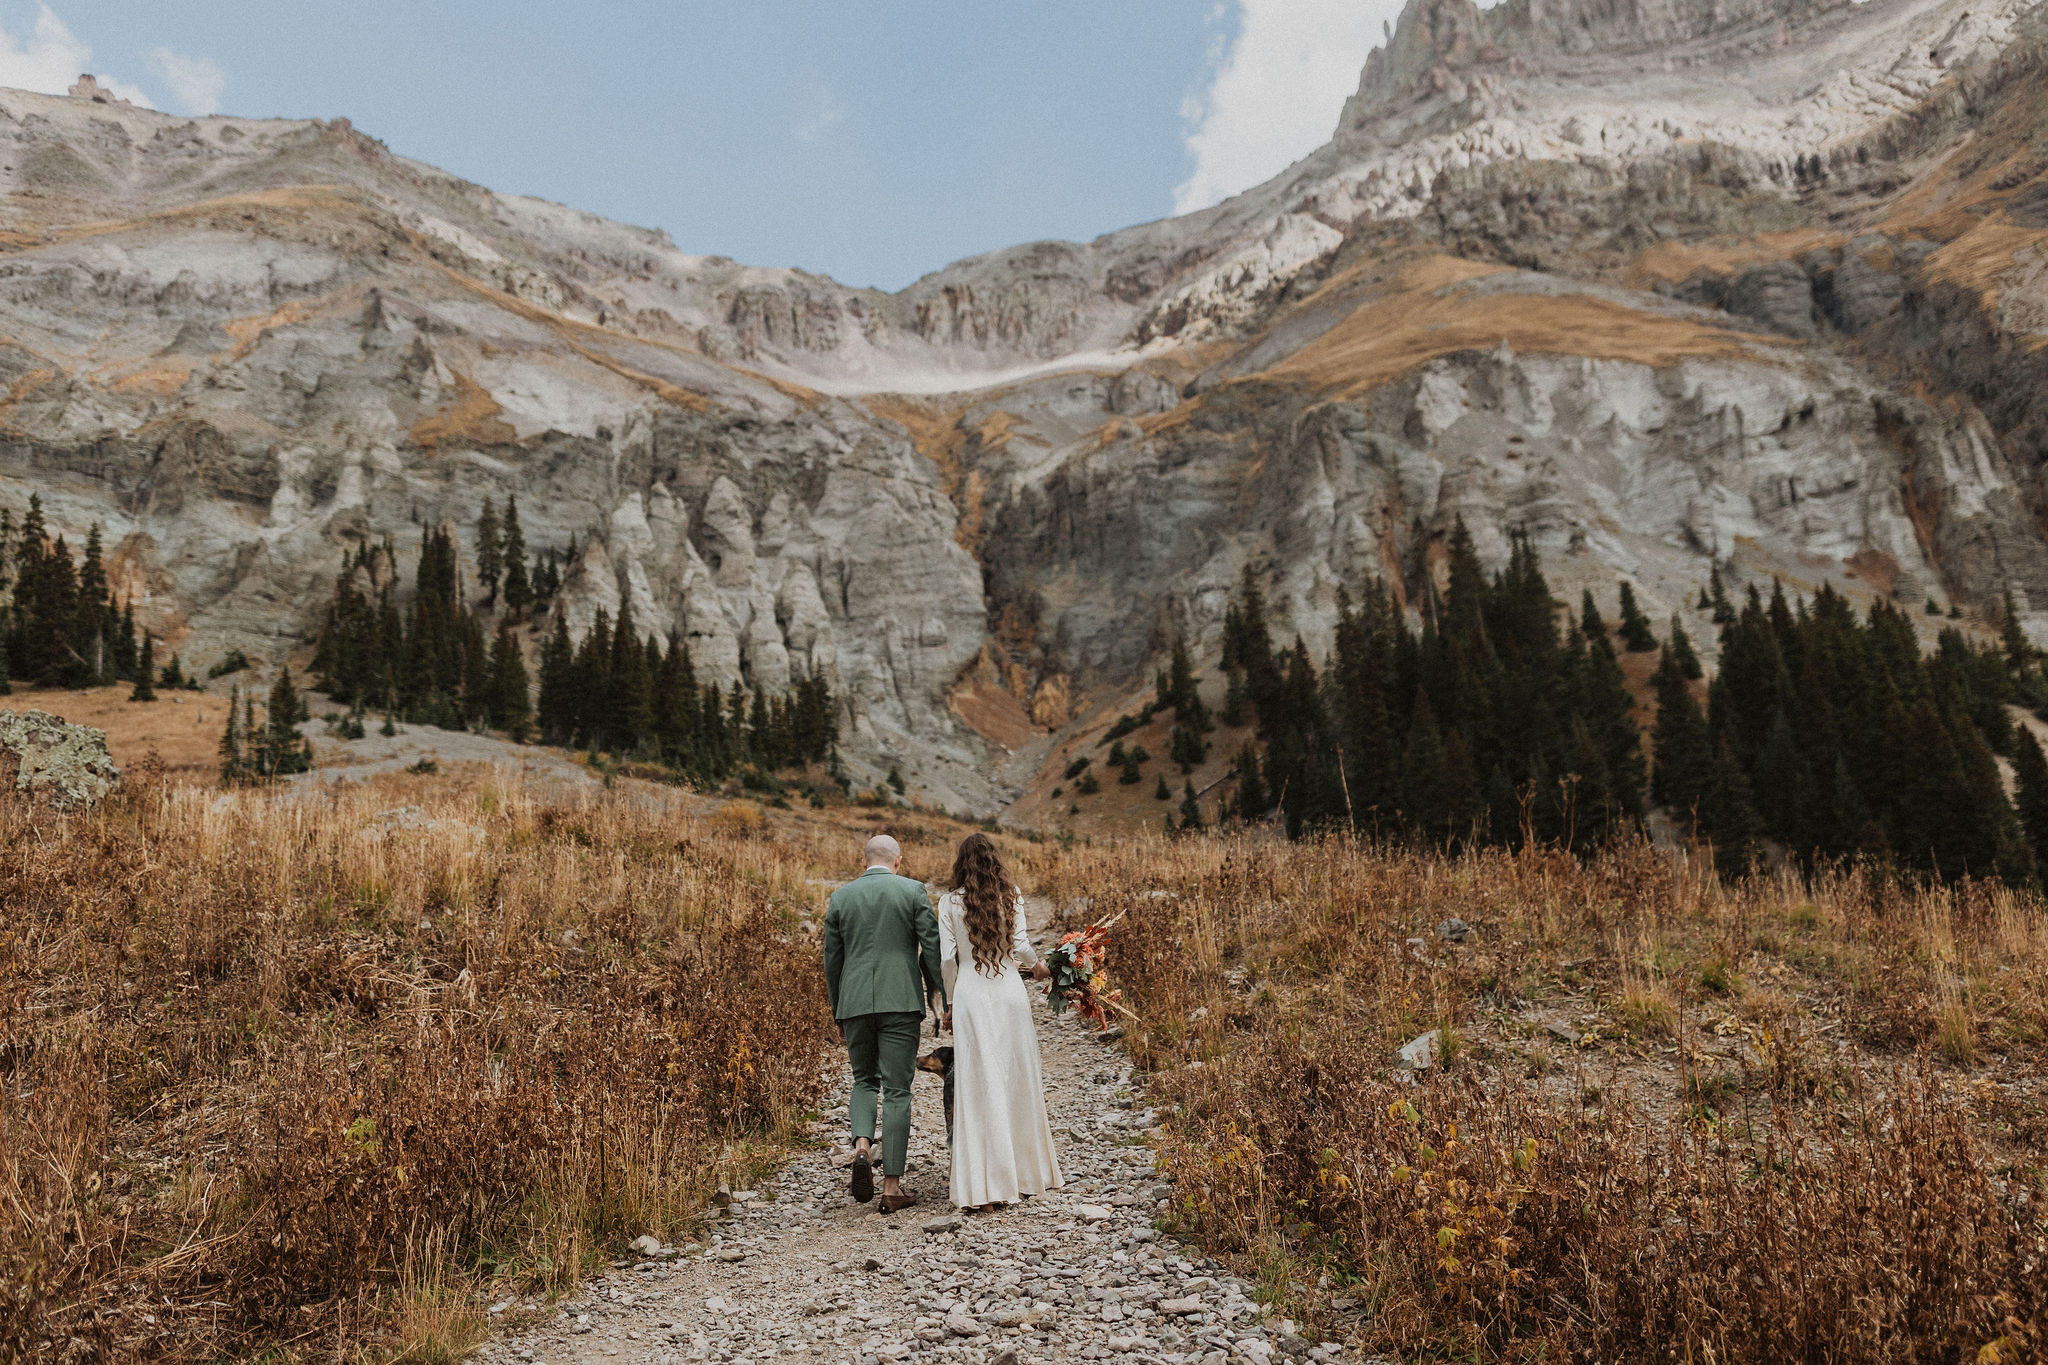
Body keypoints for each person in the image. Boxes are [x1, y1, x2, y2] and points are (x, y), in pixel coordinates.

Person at [937, 832, 1063, 1211]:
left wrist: (950, 1003)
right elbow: (1022, 945)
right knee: (1015, 1079)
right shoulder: (1012, 896)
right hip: (1009, 993)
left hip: (972, 996)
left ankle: (986, 1187)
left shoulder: (948, 902)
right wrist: (1039, 967)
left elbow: (946, 960)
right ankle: (1025, 1177)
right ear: (995, 862)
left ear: (961, 863)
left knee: (978, 1084)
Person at [822, 833, 946, 1214]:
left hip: (855, 1001)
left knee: (863, 1080)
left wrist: (837, 1007)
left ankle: (861, 1147)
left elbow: (832, 960)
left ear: (864, 862)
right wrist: (937, 994)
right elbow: (931, 946)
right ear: (898, 860)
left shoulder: (840, 897)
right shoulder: (912, 892)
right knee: (897, 1090)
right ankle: (891, 1186)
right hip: (900, 1002)